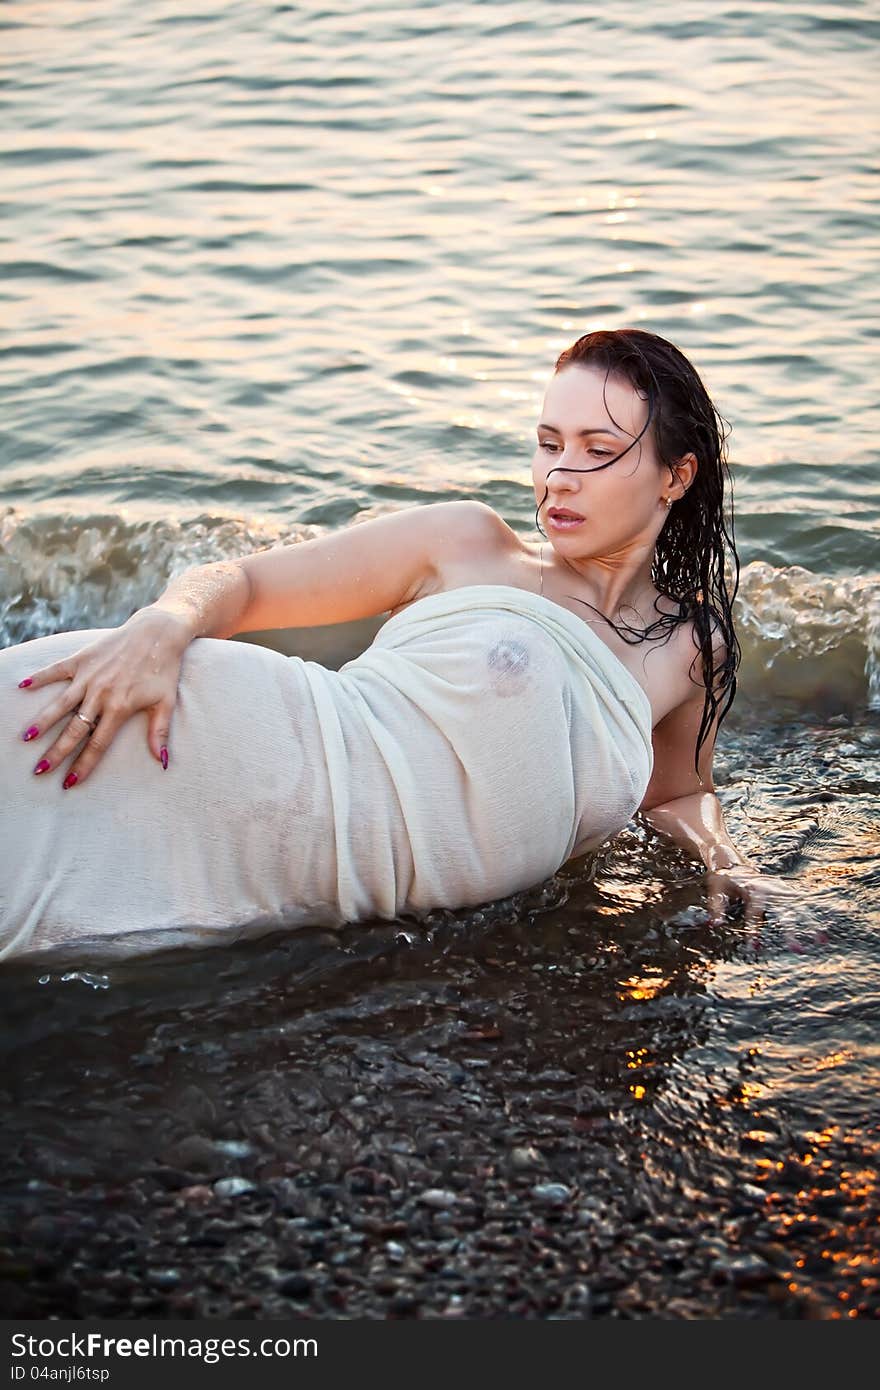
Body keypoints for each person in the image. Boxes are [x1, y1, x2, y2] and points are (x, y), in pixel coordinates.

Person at [1, 329, 797, 961]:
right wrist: (163, 625)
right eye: (548, 442)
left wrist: (723, 860)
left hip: (285, 879)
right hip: (194, 740)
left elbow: (676, 794)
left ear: (675, 475)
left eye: (598, 450)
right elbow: (239, 584)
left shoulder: (693, 643)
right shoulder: (465, 544)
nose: (559, 475)